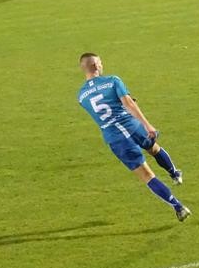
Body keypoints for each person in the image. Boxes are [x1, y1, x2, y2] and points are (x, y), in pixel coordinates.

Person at [77, 53, 190, 221]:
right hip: (132, 125)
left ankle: (178, 207)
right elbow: (128, 103)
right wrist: (147, 125)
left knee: (147, 176)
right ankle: (174, 173)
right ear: (97, 65)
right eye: (100, 62)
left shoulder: (81, 96)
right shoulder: (113, 80)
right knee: (154, 148)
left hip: (115, 137)